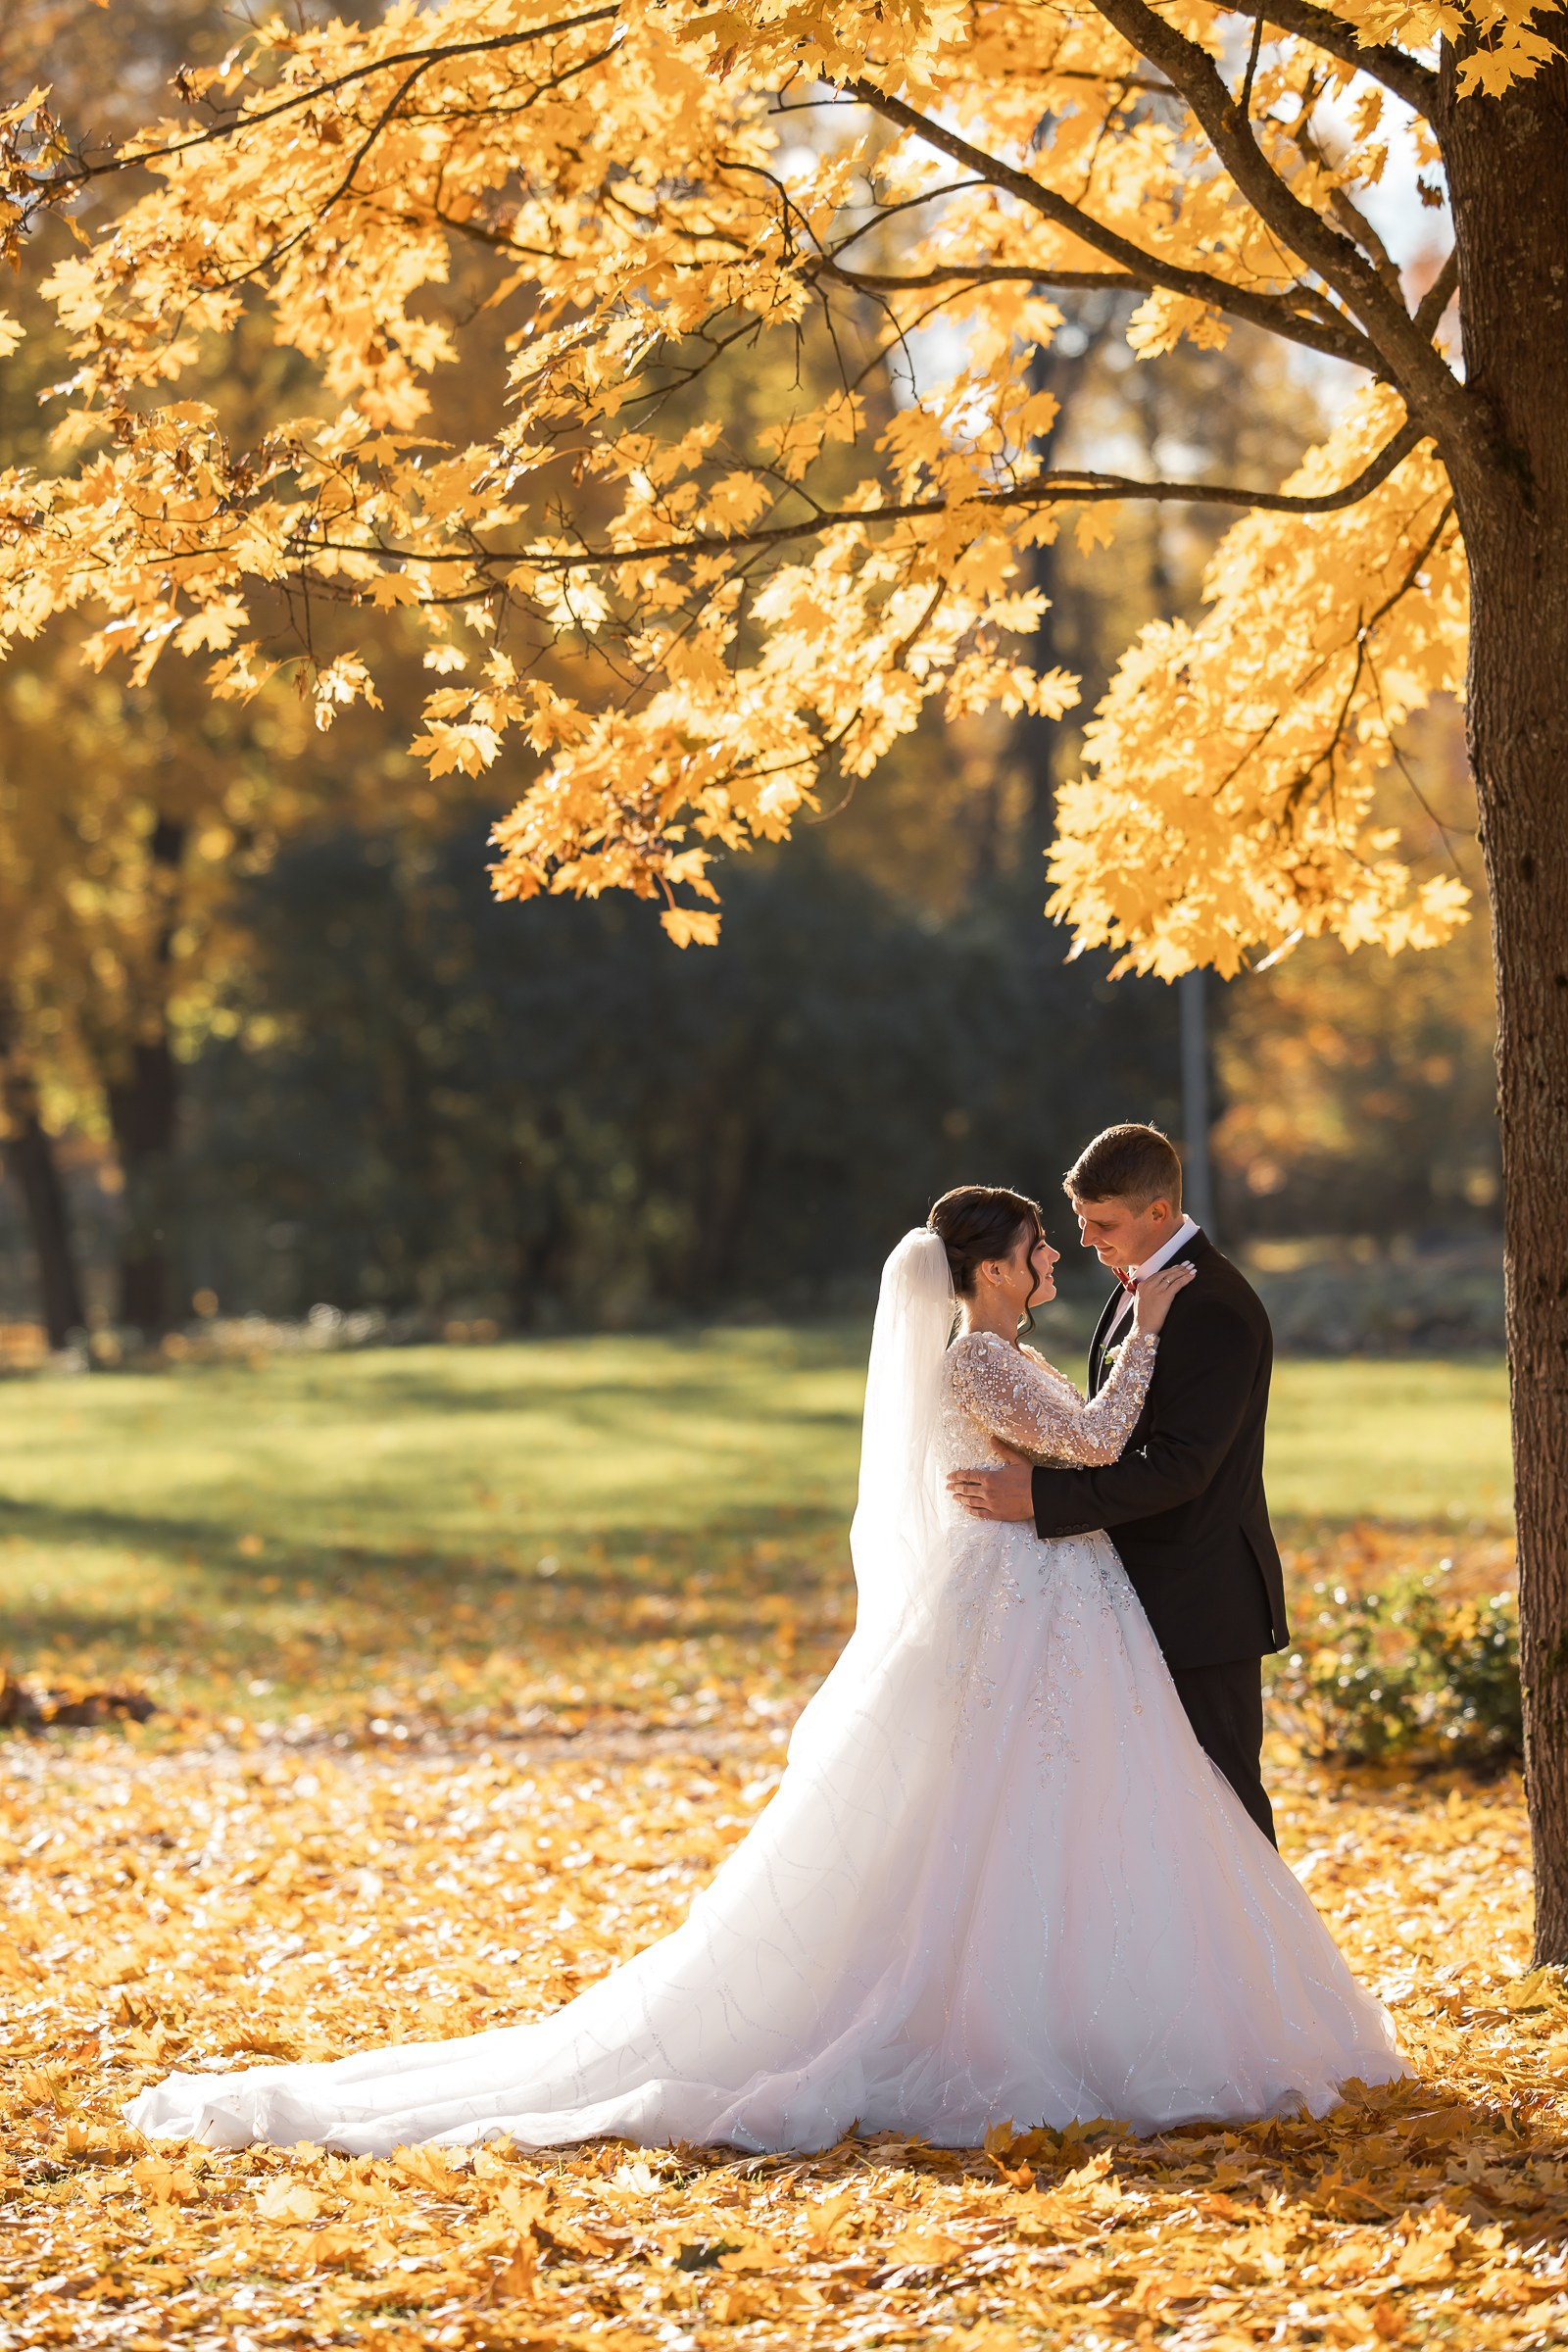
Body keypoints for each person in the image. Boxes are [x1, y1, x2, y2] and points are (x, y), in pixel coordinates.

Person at [125, 1190, 1404, 2158]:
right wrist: (1154, 1335)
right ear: (988, 1269)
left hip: (1047, 1595)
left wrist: (1058, 1469)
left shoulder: (996, 1355)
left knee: (1071, 1802)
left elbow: (1062, 1458)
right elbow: (1100, 1436)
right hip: (1019, 1602)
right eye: (1035, 1247)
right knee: (1011, 1809)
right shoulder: (978, 1354)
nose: (1051, 1261)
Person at [949, 1125, 1285, 1843]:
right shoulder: (1143, 1291)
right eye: (1077, 1223)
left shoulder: (1213, 1305)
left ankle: (1259, 1957)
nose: (1086, 1241)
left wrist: (1041, 1500)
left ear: (1158, 1213)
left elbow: (1180, 1468)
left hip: (1198, 1597)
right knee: (1151, 1808)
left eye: (1103, 1224)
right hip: (1125, 1589)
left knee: (1225, 1802)